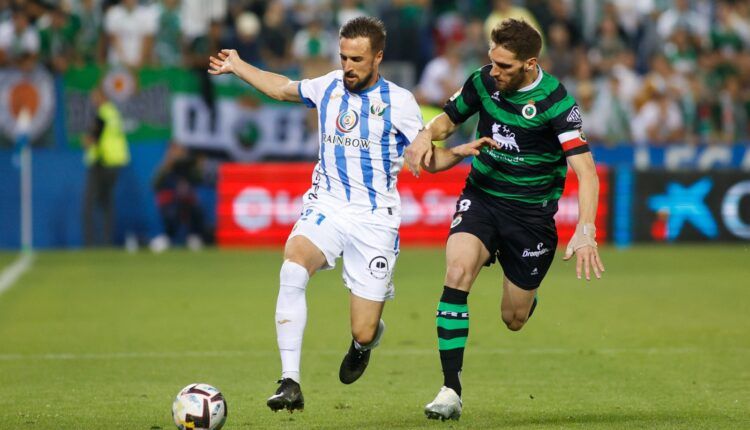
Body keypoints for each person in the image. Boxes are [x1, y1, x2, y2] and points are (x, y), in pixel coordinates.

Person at [208, 16, 424, 412]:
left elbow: (429, 154)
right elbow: (282, 88)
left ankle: (365, 343)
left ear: (378, 57)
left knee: (364, 327)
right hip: (327, 204)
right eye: (343, 57)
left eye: (356, 59)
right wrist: (238, 66)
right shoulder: (327, 85)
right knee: (292, 268)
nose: (347, 66)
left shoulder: (401, 103)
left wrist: (456, 154)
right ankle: (289, 381)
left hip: (375, 220)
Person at [404, 19, 606, 421]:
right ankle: (450, 390)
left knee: (513, 318)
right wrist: (426, 135)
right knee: (457, 271)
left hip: (531, 216)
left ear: (530, 64)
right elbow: (446, 120)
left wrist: (586, 231)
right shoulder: (483, 81)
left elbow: (586, 172)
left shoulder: (556, 103)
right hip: (482, 198)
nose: (495, 72)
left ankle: (523, 295)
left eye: (505, 67)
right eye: (492, 62)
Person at [82, 88, 130, 246]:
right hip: (115, 163)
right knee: (107, 204)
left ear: (102, 97)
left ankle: (90, 243)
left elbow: (92, 139)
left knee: (89, 205)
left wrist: (86, 140)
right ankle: (107, 242)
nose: (93, 101)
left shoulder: (102, 114)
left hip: (102, 162)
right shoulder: (113, 113)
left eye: (94, 97)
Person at [149, 142, 206, 253]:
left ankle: (193, 237)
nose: (178, 153)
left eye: (180, 150)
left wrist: (198, 166)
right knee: (172, 212)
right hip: (170, 202)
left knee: (195, 209)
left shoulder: (189, 167)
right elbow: (154, 185)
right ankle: (166, 237)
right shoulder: (166, 166)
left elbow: (198, 180)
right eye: (175, 149)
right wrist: (166, 166)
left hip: (186, 202)